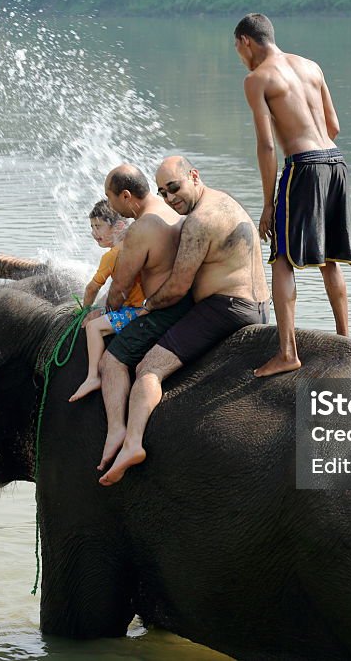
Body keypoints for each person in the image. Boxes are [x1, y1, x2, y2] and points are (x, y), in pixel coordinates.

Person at [98, 156, 270, 486]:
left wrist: (147, 306)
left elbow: (177, 288)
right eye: (162, 193)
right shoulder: (224, 200)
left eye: (174, 188)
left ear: (193, 176)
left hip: (225, 308)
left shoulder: (198, 221)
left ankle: (132, 443)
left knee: (149, 368)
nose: (169, 198)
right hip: (258, 305)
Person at [234, 13, 351, 377]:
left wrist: (268, 203)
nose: (239, 56)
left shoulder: (257, 79)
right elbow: (334, 126)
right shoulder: (310, 66)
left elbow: (267, 146)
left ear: (246, 42)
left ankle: (287, 352)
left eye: (238, 50)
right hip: (335, 162)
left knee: (282, 258)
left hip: (302, 166)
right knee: (329, 258)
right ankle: (346, 341)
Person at [96, 163, 192, 474]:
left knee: (111, 361)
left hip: (164, 309)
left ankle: (116, 431)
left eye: (110, 198)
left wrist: (101, 312)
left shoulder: (141, 228)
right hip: (190, 302)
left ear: (126, 196)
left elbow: (120, 289)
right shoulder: (172, 211)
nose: (110, 206)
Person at [68, 199, 145, 403]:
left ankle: (93, 376)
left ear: (119, 226)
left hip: (134, 312)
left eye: (99, 226)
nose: (94, 233)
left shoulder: (112, 256)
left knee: (93, 328)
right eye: (92, 227)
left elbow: (93, 287)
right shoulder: (137, 245)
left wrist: (85, 310)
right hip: (144, 306)